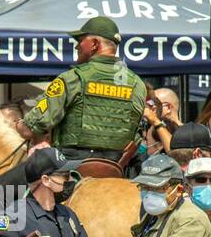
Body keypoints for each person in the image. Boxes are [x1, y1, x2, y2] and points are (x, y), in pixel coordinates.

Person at [19, 16, 148, 162]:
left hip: (71, 168)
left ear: (94, 43)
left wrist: (19, 125)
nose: (76, 46)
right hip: (118, 168)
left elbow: (32, 126)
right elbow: (136, 136)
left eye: (80, 41)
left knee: (12, 183)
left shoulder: (72, 78)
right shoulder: (137, 84)